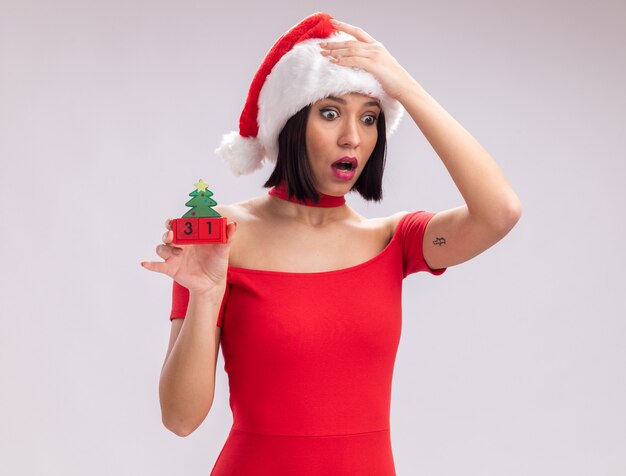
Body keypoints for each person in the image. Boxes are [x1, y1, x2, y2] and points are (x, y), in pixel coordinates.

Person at [141, 12, 521, 476]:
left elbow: (500, 211)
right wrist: (205, 294)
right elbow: (180, 419)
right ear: (290, 121)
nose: (352, 137)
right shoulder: (220, 237)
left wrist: (405, 89)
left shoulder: (394, 242)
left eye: (370, 118)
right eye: (330, 112)